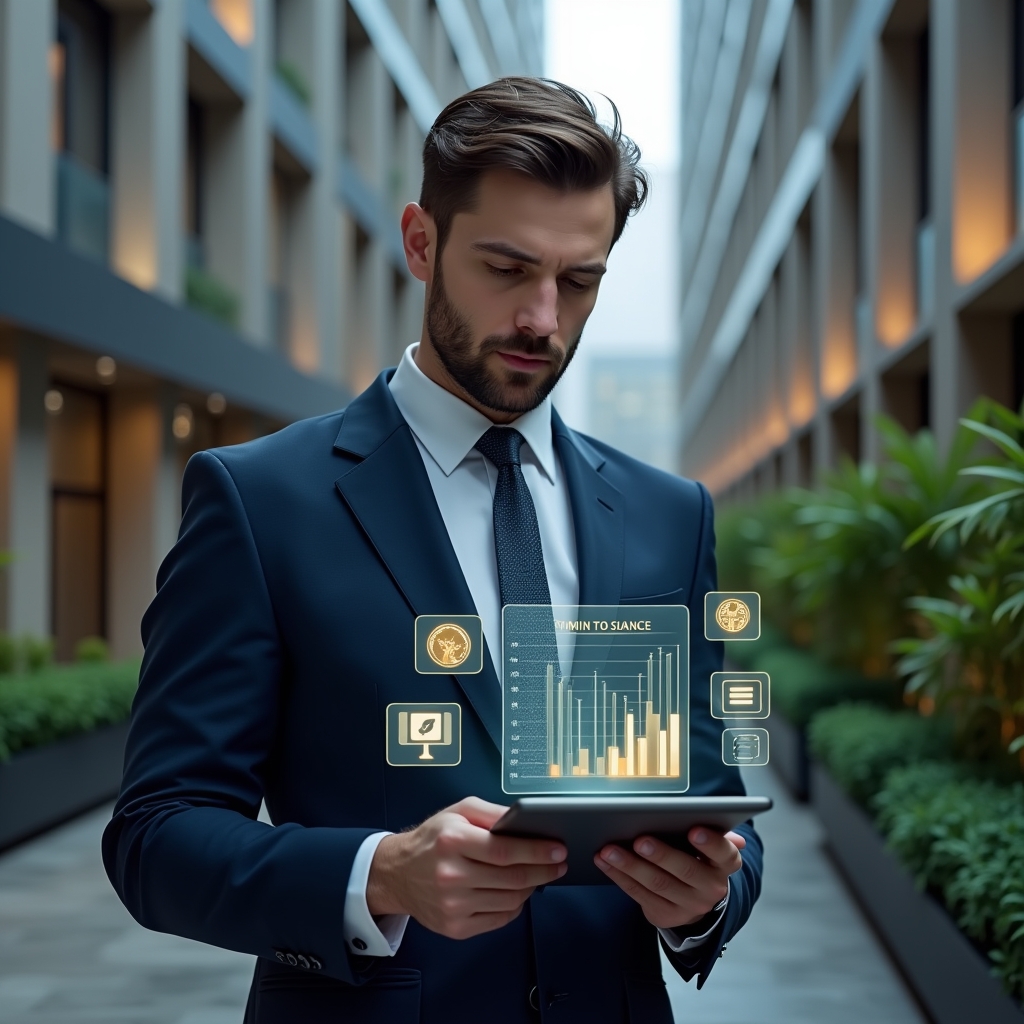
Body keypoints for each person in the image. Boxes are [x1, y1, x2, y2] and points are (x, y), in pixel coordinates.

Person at [102, 77, 763, 1023]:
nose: (544, 317)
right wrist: (379, 876)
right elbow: (155, 838)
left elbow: (715, 803)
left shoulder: (670, 515)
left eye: (579, 281)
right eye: (507, 268)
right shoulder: (260, 500)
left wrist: (703, 904)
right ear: (422, 243)